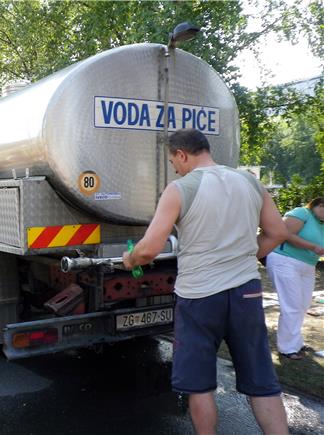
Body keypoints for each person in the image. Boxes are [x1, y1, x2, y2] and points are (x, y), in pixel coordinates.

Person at [122, 129, 289, 434]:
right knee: (262, 382)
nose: (175, 168)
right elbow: (278, 232)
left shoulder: (179, 189)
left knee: (200, 385)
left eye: (174, 161)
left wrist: (130, 259)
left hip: (199, 297)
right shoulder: (251, 182)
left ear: (182, 154)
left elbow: (148, 249)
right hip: (247, 293)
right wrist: (248, 256)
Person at [266, 197, 324, 360]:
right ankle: (287, 348)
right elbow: (283, 234)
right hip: (284, 260)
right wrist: (313, 247)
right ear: (320, 205)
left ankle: (296, 342)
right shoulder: (302, 213)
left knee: (303, 304)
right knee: (291, 304)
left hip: (308, 265)